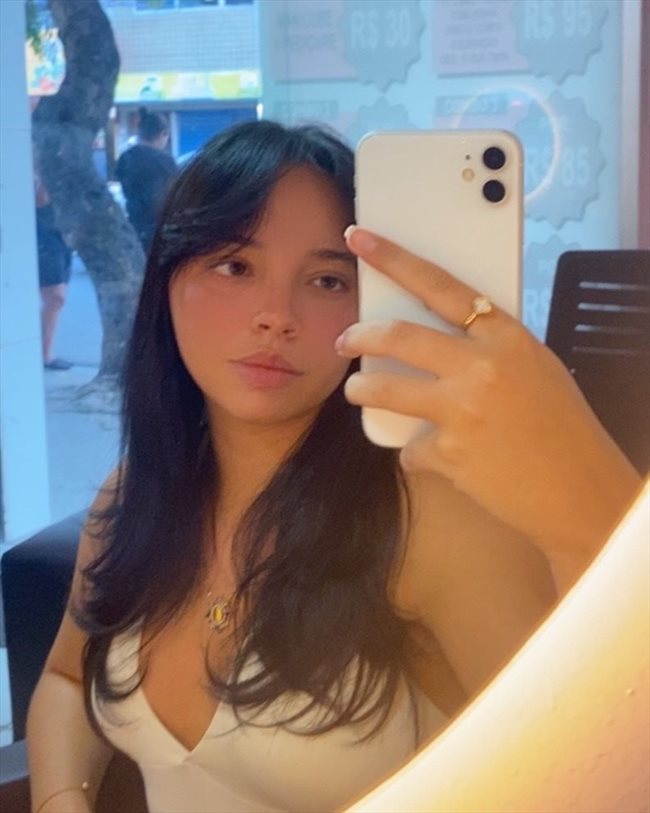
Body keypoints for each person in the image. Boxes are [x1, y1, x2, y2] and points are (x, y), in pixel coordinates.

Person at [27, 121, 641, 813]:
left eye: (326, 280)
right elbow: (66, 679)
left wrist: (590, 506)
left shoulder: (426, 519)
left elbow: (601, 771)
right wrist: (60, 799)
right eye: (235, 267)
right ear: (168, 282)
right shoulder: (135, 496)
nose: (276, 316)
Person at [115, 107, 177, 254]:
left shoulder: (125, 158)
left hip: (134, 226)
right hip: (159, 230)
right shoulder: (164, 161)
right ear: (163, 134)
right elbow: (169, 196)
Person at [35, 171, 73, 370]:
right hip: (43, 239)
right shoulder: (31, 172)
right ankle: (43, 353)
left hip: (60, 237)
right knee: (55, 297)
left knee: (57, 300)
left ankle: (45, 352)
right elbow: (41, 200)